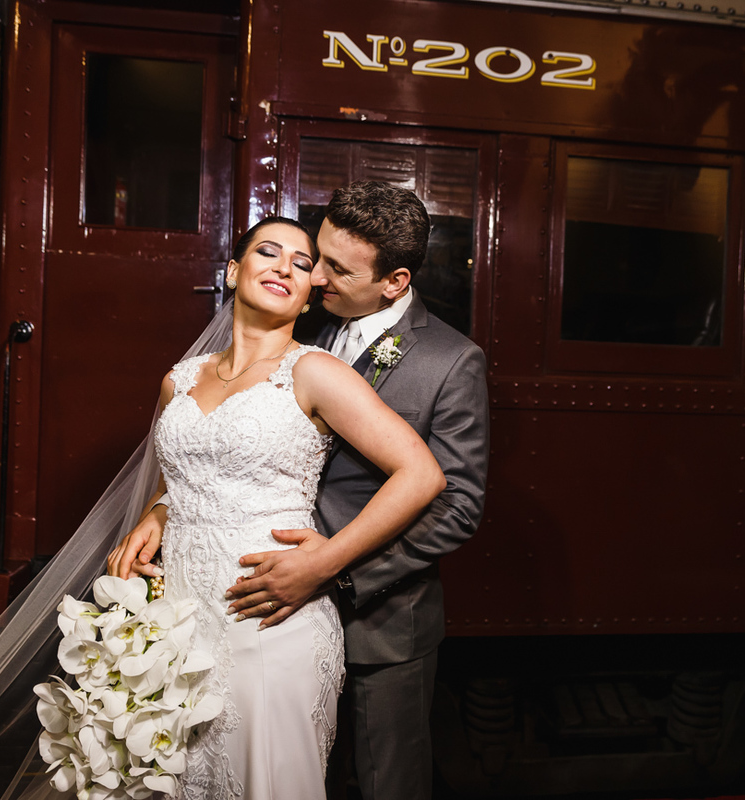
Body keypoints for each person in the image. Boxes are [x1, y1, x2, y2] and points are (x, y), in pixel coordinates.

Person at [119, 182, 490, 800]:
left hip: (375, 614)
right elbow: (218, 458)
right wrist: (163, 509)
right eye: (308, 257)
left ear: (393, 281)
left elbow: (455, 503)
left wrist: (331, 568)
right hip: (221, 601)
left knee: (377, 786)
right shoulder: (297, 325)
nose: (313, 276)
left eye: (332, 267)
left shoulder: (450, 360)